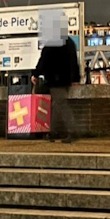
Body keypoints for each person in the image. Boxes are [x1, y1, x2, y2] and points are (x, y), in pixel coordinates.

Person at [32, 9, 81, 142]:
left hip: (55, 78)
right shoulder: (69, 42)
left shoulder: (53, 41)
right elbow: (74, 62)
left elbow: (44, 60)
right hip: (65, 79)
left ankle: (72, 131)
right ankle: (53, 132)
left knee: (61, 104)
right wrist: (76, 78)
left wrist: (35, 74)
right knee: (56, 104)